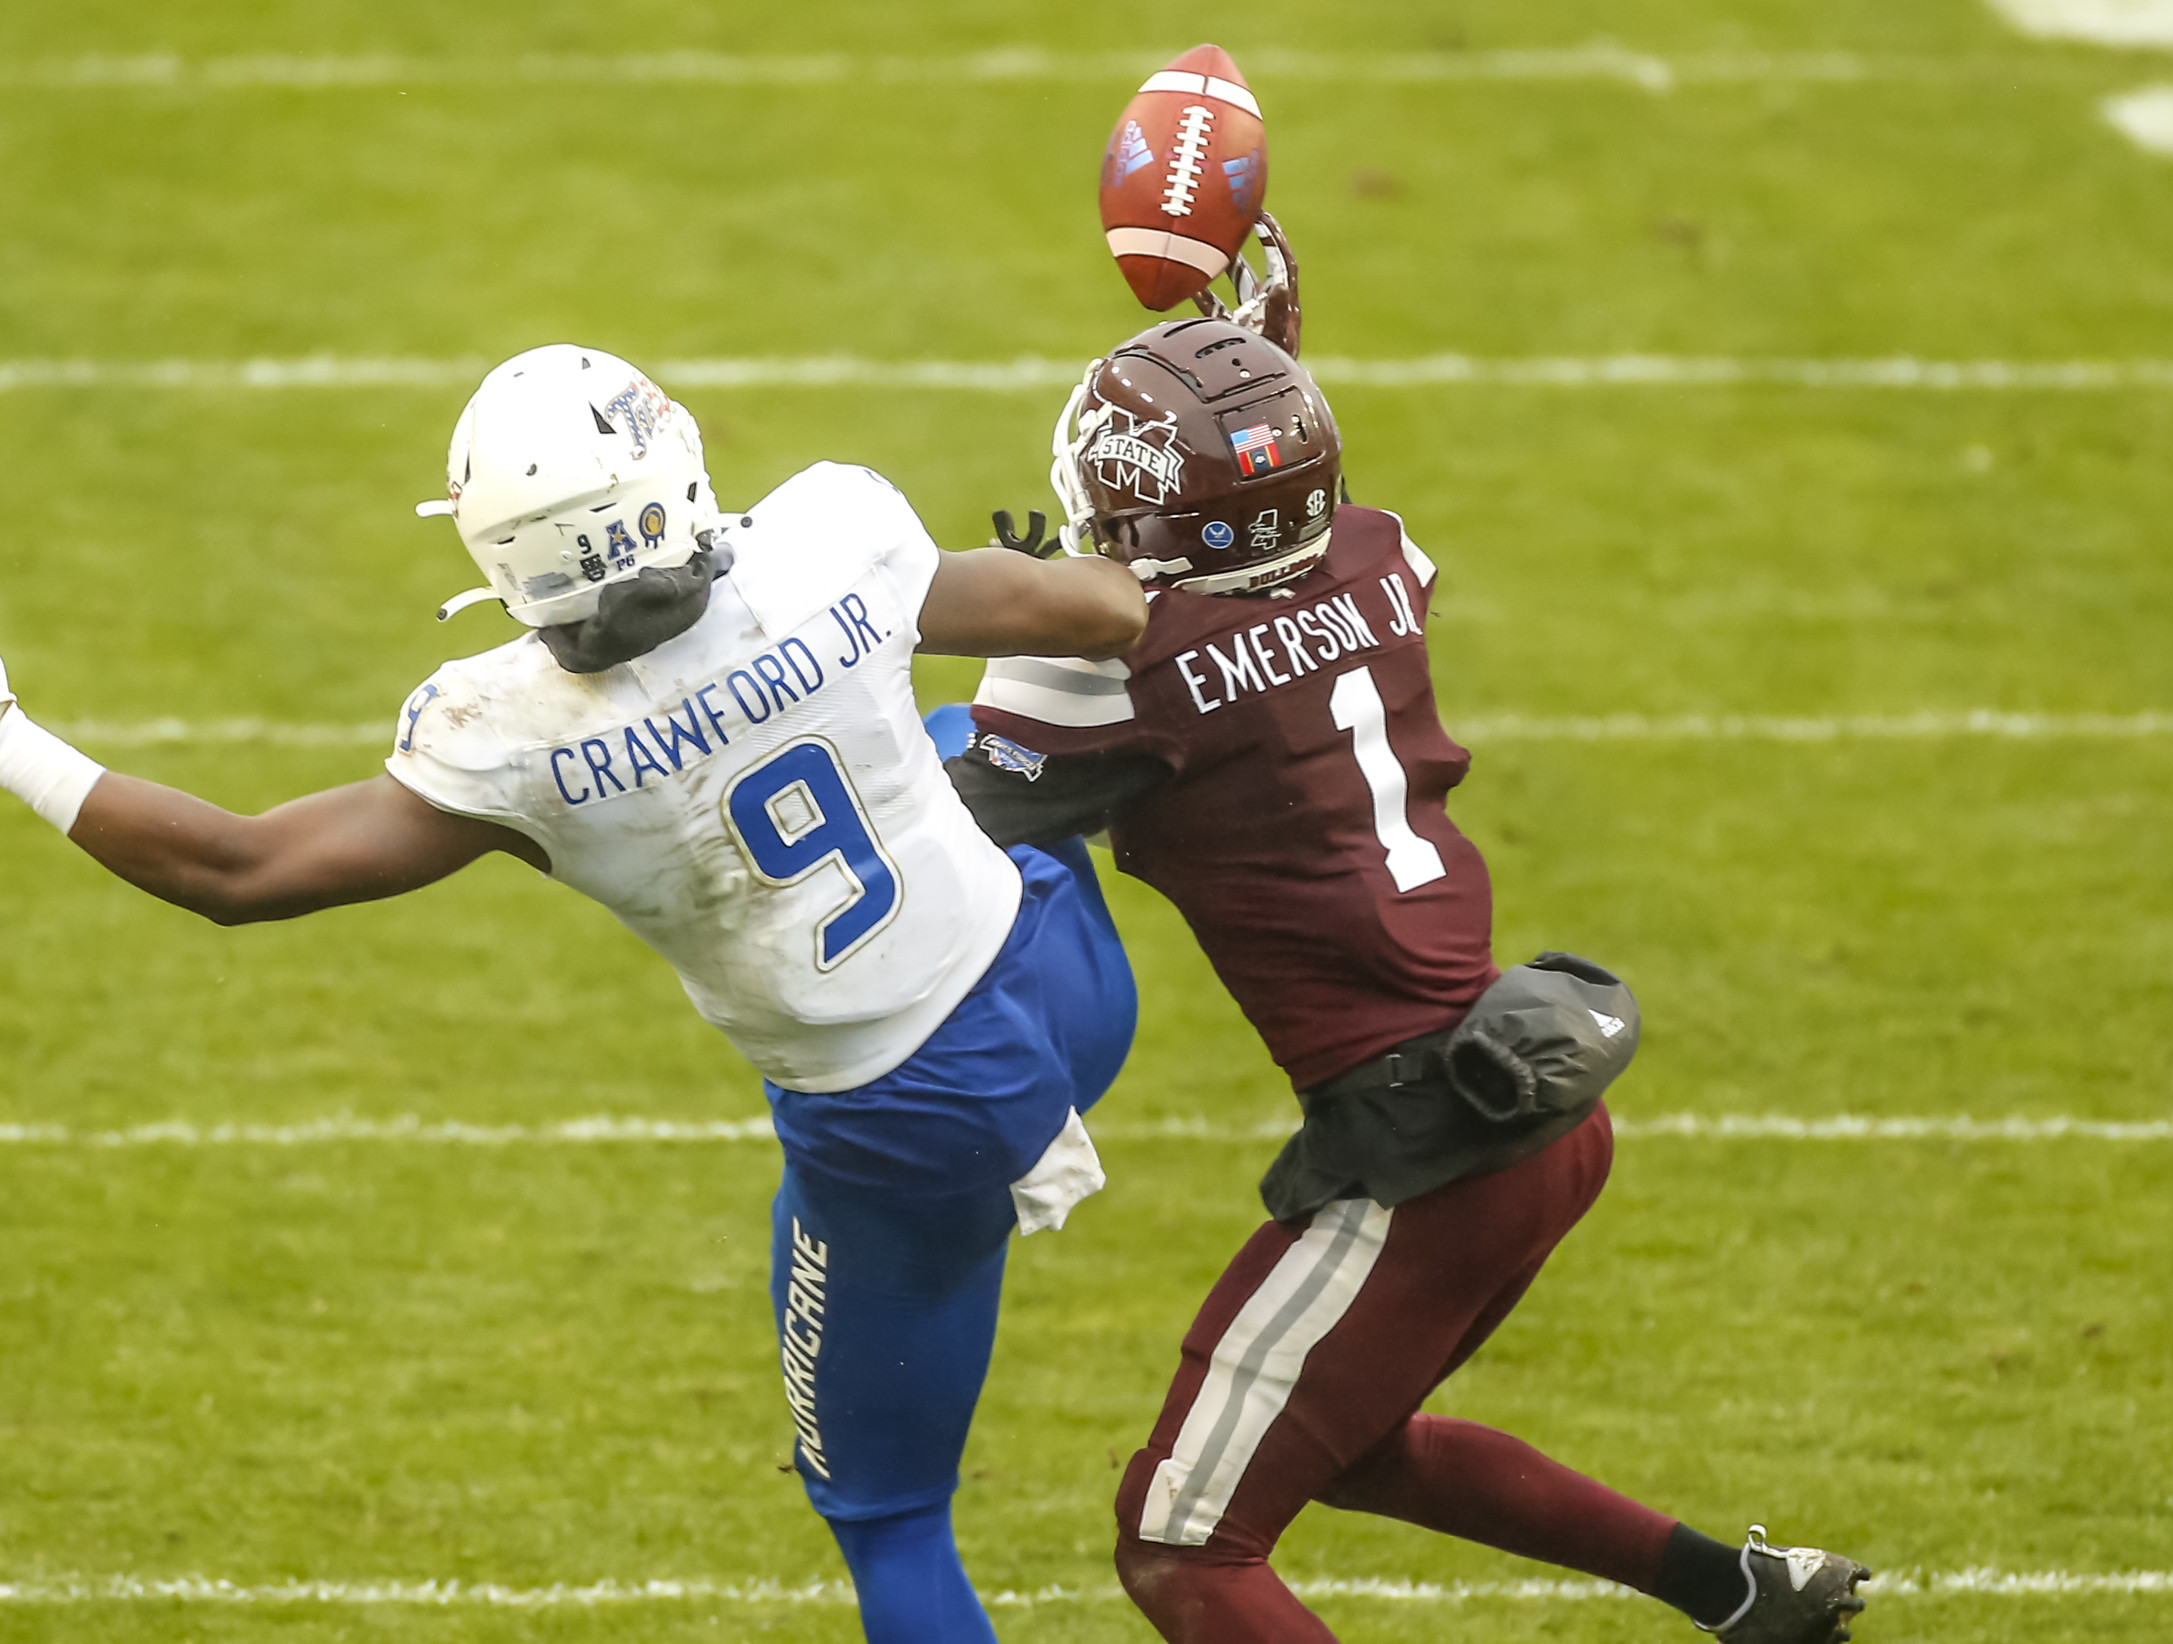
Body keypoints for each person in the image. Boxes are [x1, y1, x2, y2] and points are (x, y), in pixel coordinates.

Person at [0, 345, 1151, 1644]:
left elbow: (235, 869)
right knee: (967, 740)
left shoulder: (513, 738)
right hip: (1062, 989)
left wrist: (7, 737)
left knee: (887, 1519)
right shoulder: (832, 533)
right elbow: (1104, 614)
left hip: (897, 1130)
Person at [938, 236, 1871, 1644]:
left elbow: (928, 814)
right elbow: (1263, 543)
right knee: (1349, 1440)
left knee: (1183, 1545)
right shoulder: (1377, 550)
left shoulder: (1141, 677)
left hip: (1424, 1149)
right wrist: (1260, 379)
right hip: (1535, 1101)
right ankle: (1745, 1593)